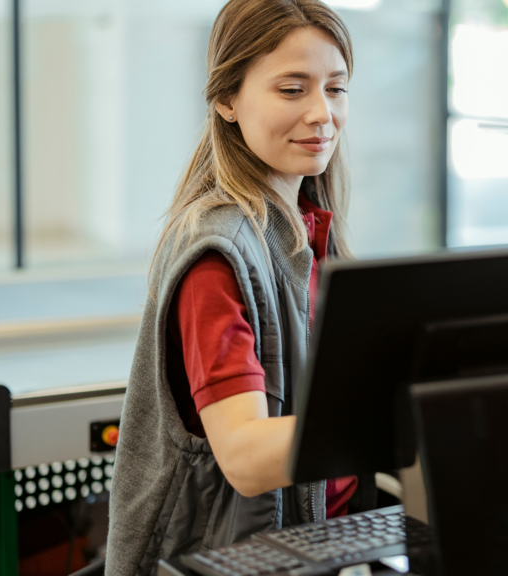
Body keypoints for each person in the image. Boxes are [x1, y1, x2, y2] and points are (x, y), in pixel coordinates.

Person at [106, 1, 361, 573]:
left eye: (336, 89)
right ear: (226, 99)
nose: (323, 113)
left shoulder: (310, 228)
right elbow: (246, 456)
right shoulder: (216, 255)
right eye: (292, 90)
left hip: (318, 545)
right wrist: (395, 413)